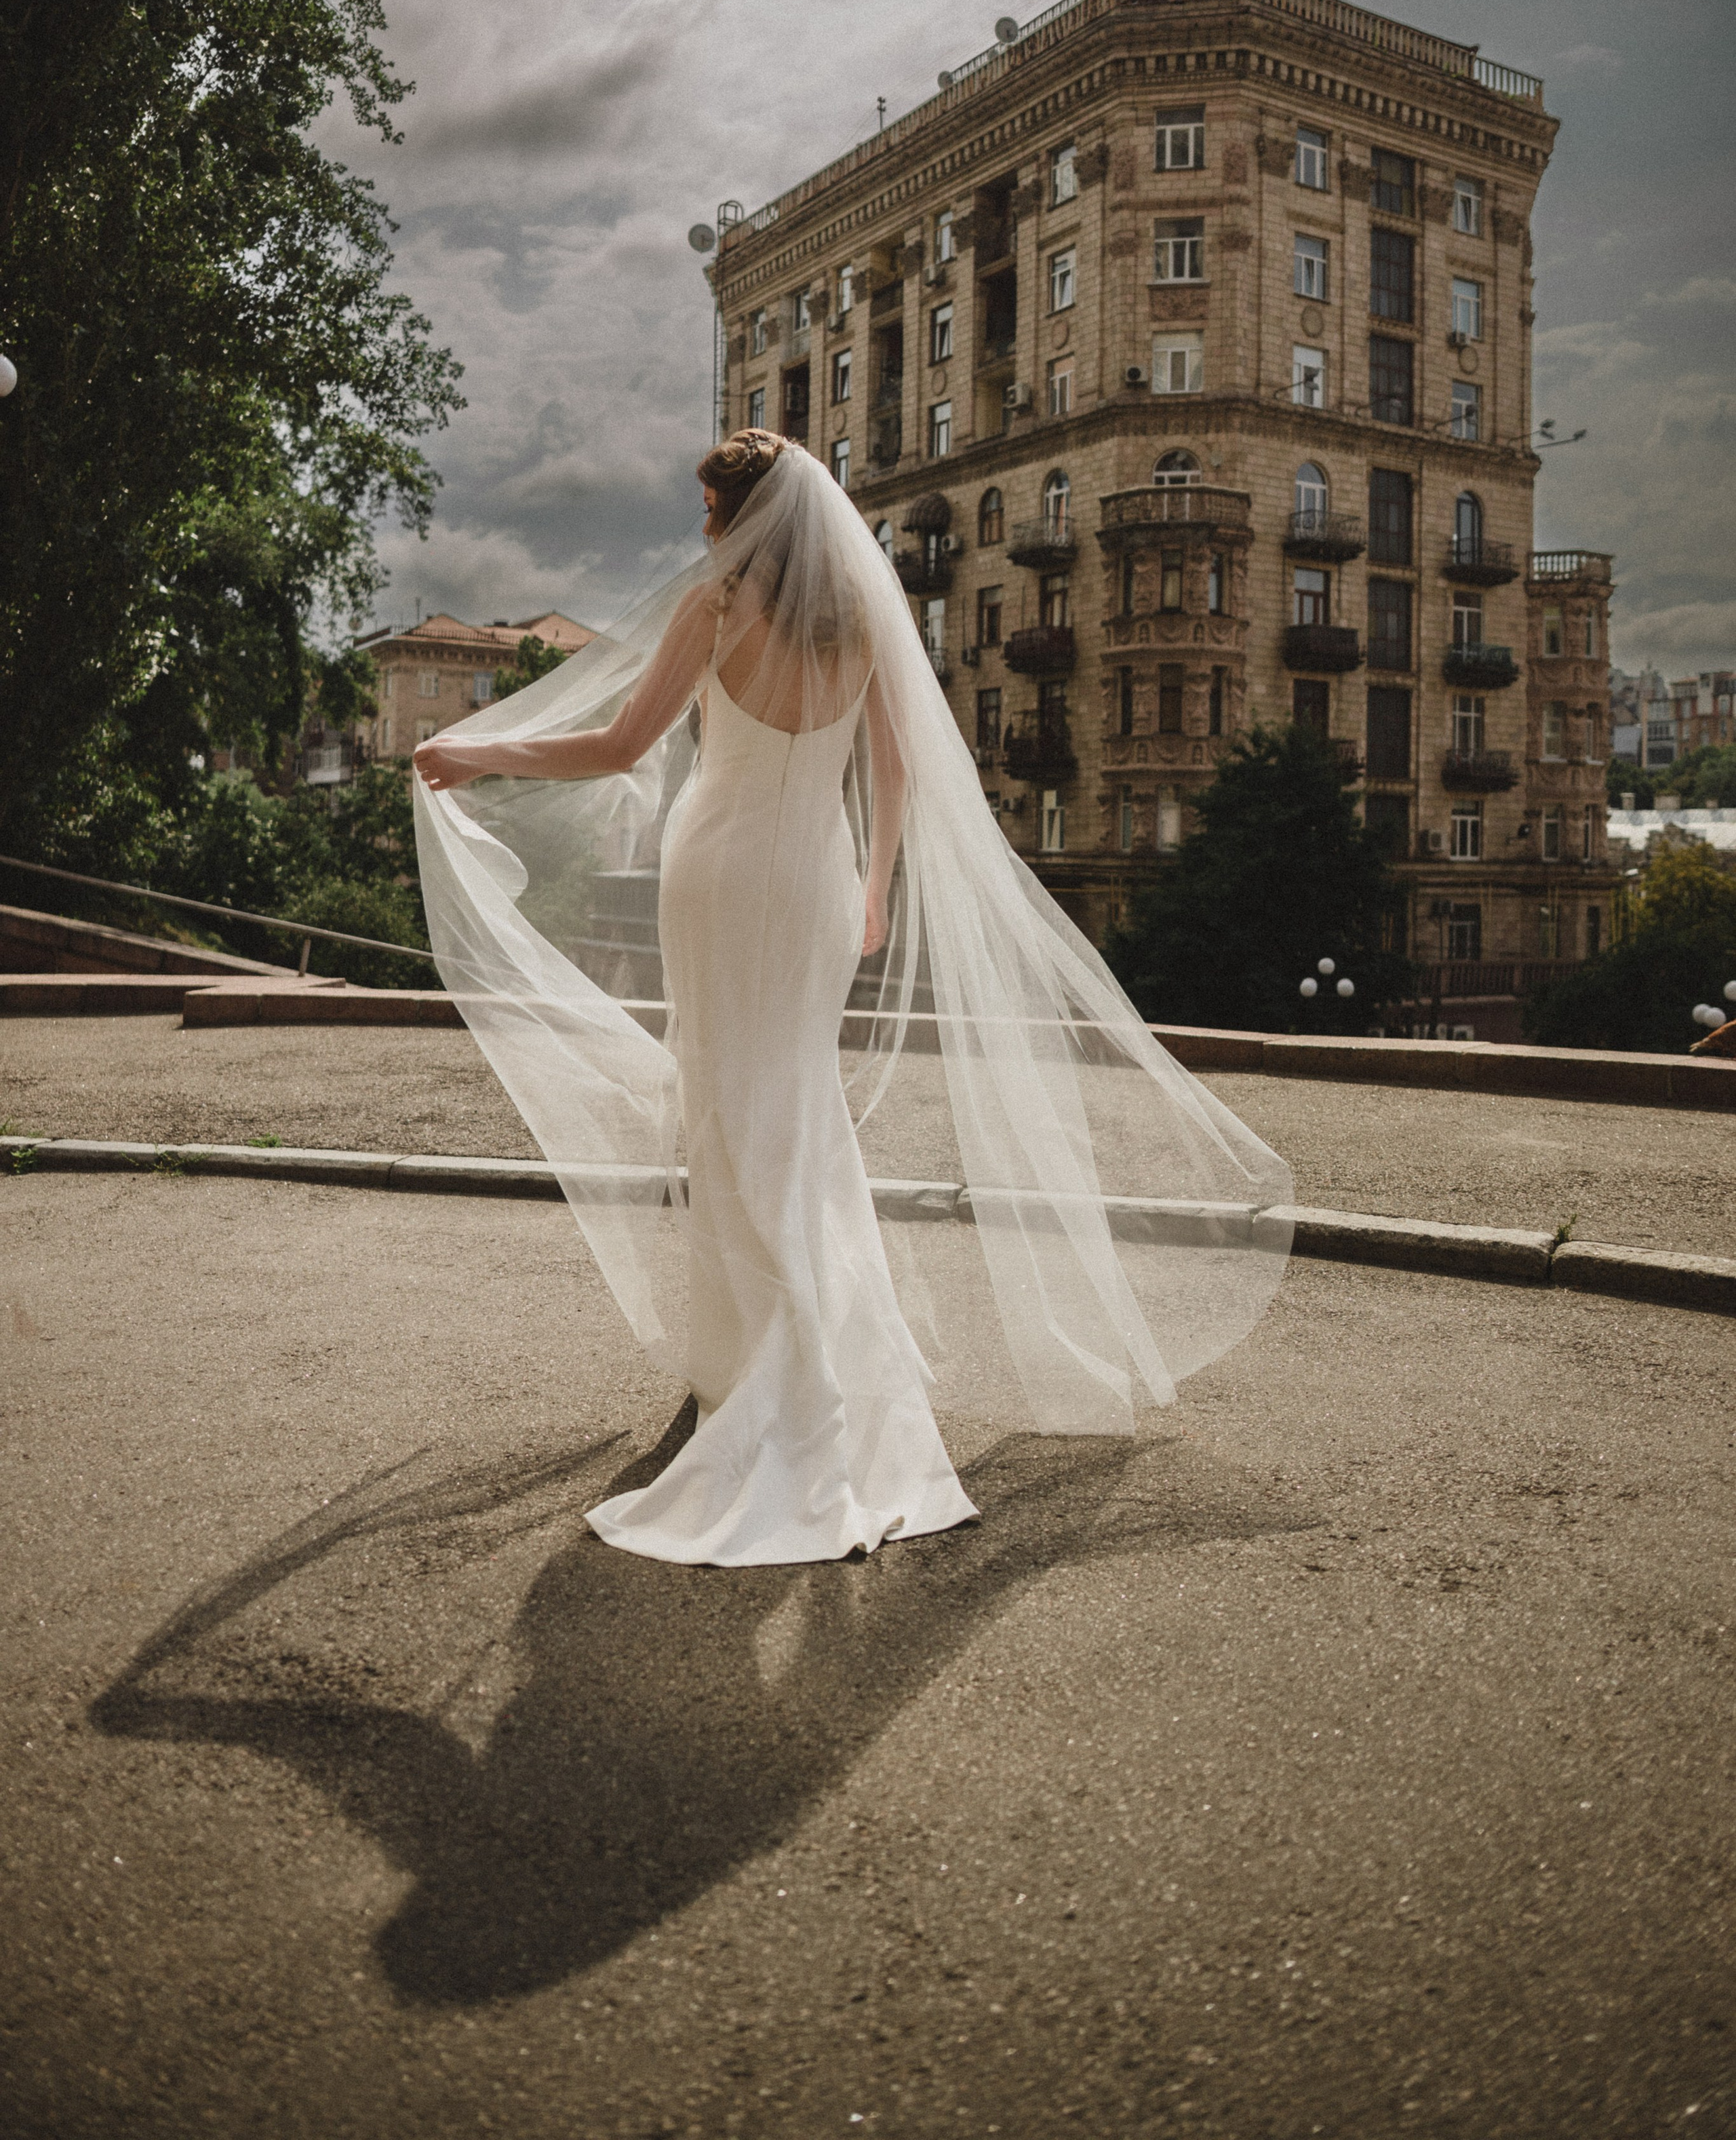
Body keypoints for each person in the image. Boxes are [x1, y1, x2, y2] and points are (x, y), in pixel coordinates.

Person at [414, 430, 1293, 1568]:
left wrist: (481, 757)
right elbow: (897, 771)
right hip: (817, 881)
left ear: (746, 515)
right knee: (796, 1107)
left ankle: (767, 1368)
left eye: (710, 507)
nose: (703, 528)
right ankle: (796, 1351)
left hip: (723, 873)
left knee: (728, 1106)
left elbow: (622, 745)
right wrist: (870, 891)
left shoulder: (717, 611)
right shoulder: (863, 624)